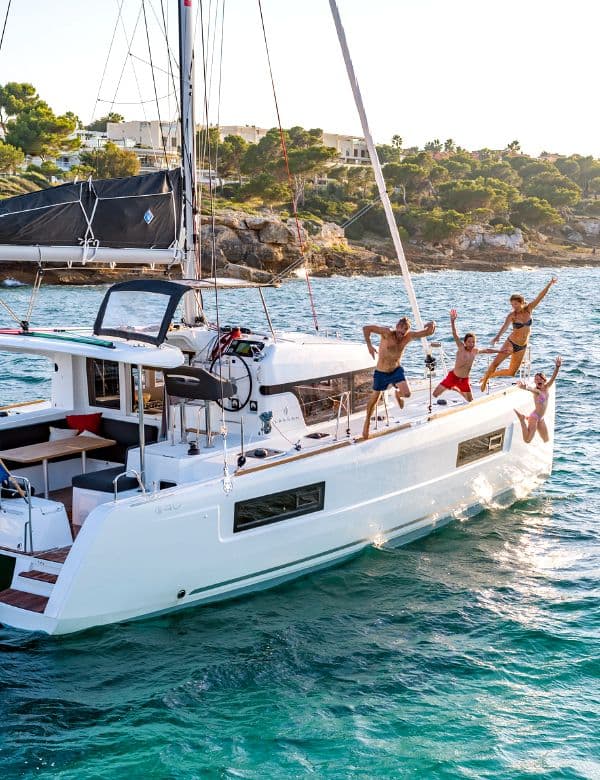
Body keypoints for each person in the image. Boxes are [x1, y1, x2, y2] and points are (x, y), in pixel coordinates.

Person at [362, 316, 436, 439]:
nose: (402, 332)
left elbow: (428, 332)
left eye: (406, 329)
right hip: (381, 372)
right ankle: (367, 423)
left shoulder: (408, 336)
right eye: (401, 328)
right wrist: (369, 345)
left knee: (407, 394)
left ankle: (398, 394)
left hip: (396, 370)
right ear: (397, 326)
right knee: (374, 398)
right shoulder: (386, 333)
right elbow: (366, 329)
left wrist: (432, 323)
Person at [479, 276, 557, 391]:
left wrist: (549, 284)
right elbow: (504, 327)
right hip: (511, 343)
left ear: (521, 302)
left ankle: (489, 376)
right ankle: (486, 379)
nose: (513, 307)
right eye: (512, 305)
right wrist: (497, 337)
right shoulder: (512, 315)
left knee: (512, 372)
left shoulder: (529, 309)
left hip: (522, 346)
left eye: (515, 304)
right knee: (495, 364)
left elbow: (540, 297)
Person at [433, 309, 509, 402]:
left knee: (470, 401)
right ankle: (454, 387)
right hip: (453, 377)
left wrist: (500, 351)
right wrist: (452, 321)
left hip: (464, 380)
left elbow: (487, 350)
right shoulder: (461, 348)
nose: (471, 344)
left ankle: (456, 389)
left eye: (473, 342)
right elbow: (454, 334)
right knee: (435, 394)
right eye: (469, 342)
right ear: (465, 342)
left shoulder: (475, 351)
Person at [514, 356, 562, 443]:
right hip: (534, 417)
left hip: (541, 418)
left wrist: (557, 367)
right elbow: (531, 389)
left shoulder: (547, 387)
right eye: (536, 379)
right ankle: (522, 419)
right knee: (527, 440)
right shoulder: (536, 391)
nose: (538, 380)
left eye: (540, 379)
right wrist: (525, 388)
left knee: (546, 440)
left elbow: (553, 377)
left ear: (544, 380)